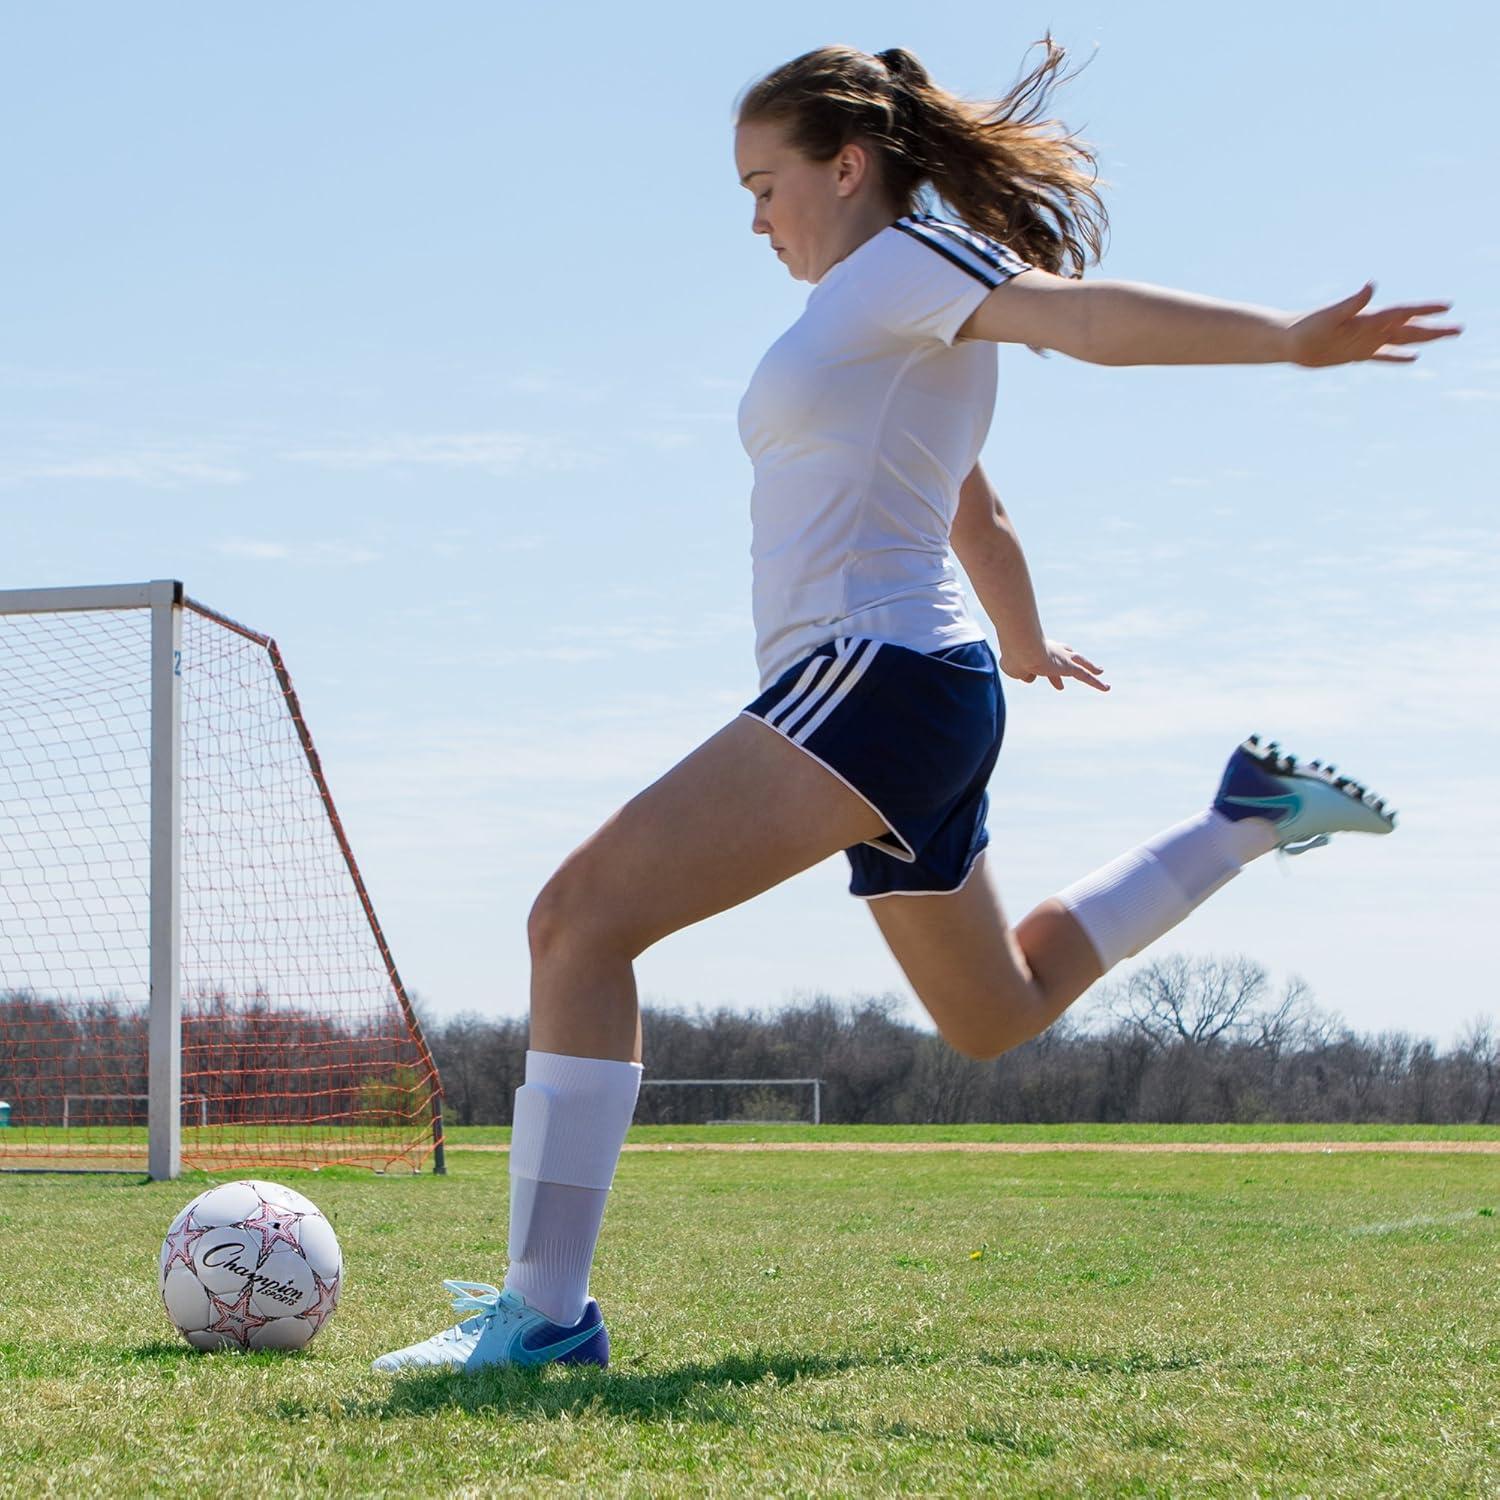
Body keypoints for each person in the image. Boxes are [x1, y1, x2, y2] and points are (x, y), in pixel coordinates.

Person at [372, 39, 1461, 1373]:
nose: (754, 219)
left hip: (872, 679)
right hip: (914, 689)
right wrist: (1023, 639)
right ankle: (1244, 819)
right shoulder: (878, 320)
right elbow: (972, 501)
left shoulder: (906, 264)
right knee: (995, 1011)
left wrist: (1285, 342)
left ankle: (544, 1315)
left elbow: (1080, 319)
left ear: (848, 166)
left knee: (576, 920)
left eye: (764, 185)